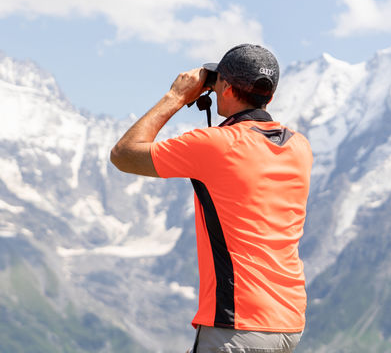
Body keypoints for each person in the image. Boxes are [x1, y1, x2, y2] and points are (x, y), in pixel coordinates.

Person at [110, 44, 311, 353]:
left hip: (237, 323)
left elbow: (123, 154)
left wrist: (176, 96)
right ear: (270, 96)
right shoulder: (298, 147)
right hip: (288, 321)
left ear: (226, 88)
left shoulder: (217, 144)